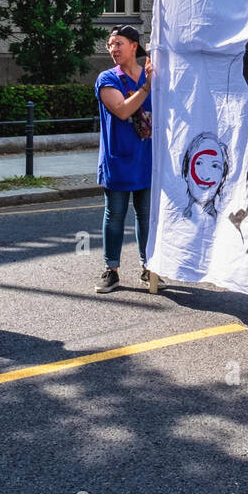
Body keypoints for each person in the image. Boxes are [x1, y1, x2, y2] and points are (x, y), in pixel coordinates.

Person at [94, 25, 156, 293]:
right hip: (118, 157)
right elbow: (121, 110)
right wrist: (146, 88)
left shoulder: (151, 75)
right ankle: (111, 270)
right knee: (115, 214)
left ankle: (149, 267)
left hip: (147, 157)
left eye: (118, 43)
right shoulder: (108, 78)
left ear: (134, 46)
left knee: (146, 215)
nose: (113, 49)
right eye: (110, 45)